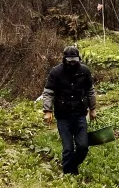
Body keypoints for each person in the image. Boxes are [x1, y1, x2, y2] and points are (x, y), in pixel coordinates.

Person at [42, 44, 97, 173]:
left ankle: (71, 166)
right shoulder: (56, 72)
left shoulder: (85, 71)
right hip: (63, 115)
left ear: (79, 59)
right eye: (70, 61)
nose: (72, 64)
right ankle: (68, 176)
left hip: (79, 114)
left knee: (83, 147)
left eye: (75, 61)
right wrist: (48, 111)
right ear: (65, 59)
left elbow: (90, 91)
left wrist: (93, 109)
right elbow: (48, 92)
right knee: (68, 149)